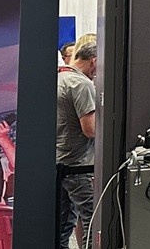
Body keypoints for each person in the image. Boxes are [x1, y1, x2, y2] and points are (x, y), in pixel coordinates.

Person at [57, 42, 97, 249]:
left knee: (62, 225)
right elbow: (90, 130)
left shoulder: (58, 78)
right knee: (92, 220)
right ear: (94, 62)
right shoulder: (82, 84)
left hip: (60, 164)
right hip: (80, 165)